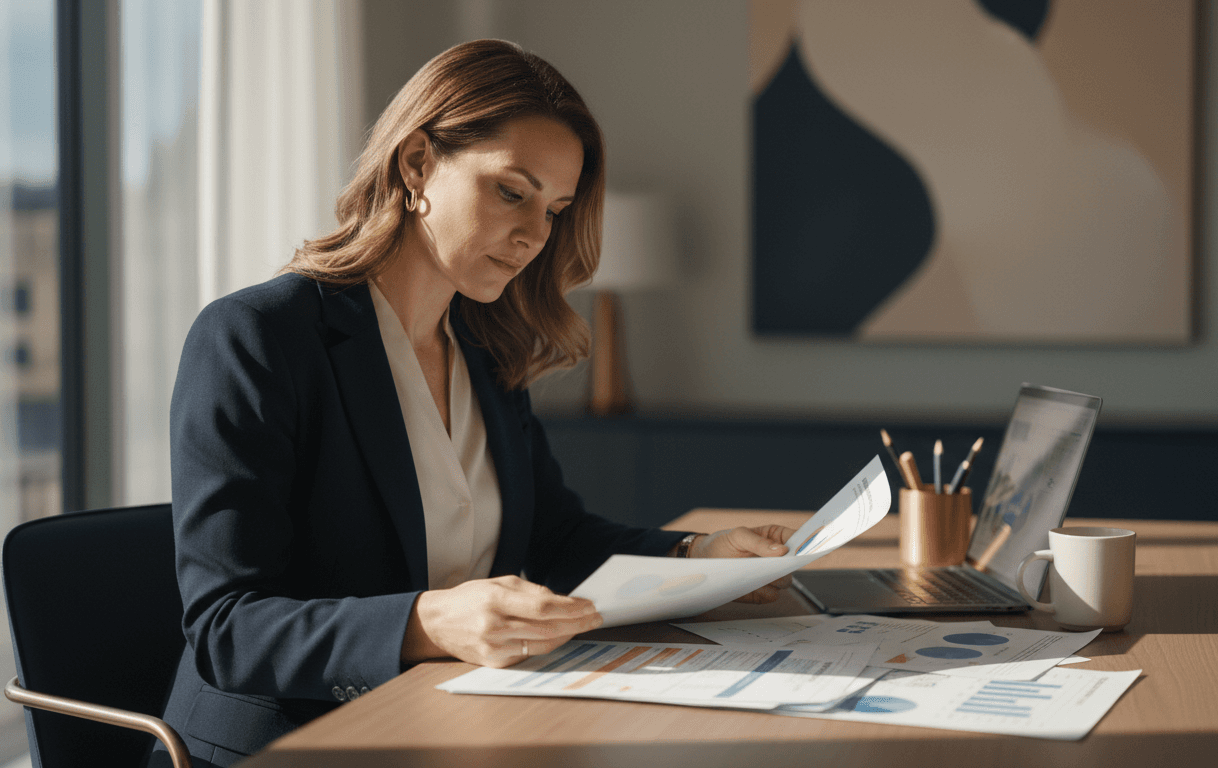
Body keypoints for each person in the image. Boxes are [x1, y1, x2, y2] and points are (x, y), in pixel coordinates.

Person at [155, 40, 794, 767]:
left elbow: (554, 540)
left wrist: (697, 556)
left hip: (452, 723)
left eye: (555, 209)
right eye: (512, 192)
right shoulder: (258, 337)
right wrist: (427, 621)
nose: (534, 236)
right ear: (418, 163)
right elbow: (225, 628)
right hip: (294, 745)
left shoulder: (485, 349)